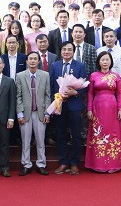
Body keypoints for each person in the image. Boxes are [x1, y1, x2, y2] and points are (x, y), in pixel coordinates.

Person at [50, 42, 87, 175]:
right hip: (59, 105)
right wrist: (55, 99)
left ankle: (74, 163)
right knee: (60, 134)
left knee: (76, 135)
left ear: (73, 51)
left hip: (74, 105)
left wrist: (75, 93)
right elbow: (51, 85)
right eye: (64, 49)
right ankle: (63, 161)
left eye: (69, 50)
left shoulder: (80, 65)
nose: (66, 52)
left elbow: (85, 85)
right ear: (61, 51)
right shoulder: (55, 65)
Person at [85, 51, 121, 173]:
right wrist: (89, 109)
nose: (105, 62)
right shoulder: (93, 76)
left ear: (111, 62)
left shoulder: (116, 76)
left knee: (113, 134)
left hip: (112, 108)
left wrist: (120, 109)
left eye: (107, 60)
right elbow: (90, 93)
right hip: (97, 108)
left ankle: (113, 163)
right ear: (99, 62)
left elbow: (119, 94)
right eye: (102, 60)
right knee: (98, 134)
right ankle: (98, 164)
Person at [15, 51, 51, 175]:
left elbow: (47, 95)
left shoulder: (45, 75)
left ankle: (41, 163)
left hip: (40, 112)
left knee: (41, 141)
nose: (33, 61)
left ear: (39, 61)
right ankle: (26, 164)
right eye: (30, 59)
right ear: (26, 61)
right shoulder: (20, 75)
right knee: (25, 141)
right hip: (25, 114)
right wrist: (19, 113)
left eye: (35, 59)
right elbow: (18, 96)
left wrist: (47, 113)